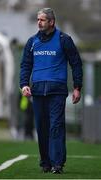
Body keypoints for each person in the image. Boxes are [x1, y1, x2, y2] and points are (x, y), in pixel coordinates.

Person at [20, 8, 83, 174]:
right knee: (41, 128)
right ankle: (45, 163)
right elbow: (26, 65)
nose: (39, 22)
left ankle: (57, 164)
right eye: (38, 19)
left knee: (56, 126)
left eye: (42, 20)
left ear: (51, 22)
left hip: (57, 91)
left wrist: (77, 87)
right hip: (38, 91)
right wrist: (24, 84)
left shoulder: (64, 39)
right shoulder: (32, 42)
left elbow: (76, 63)